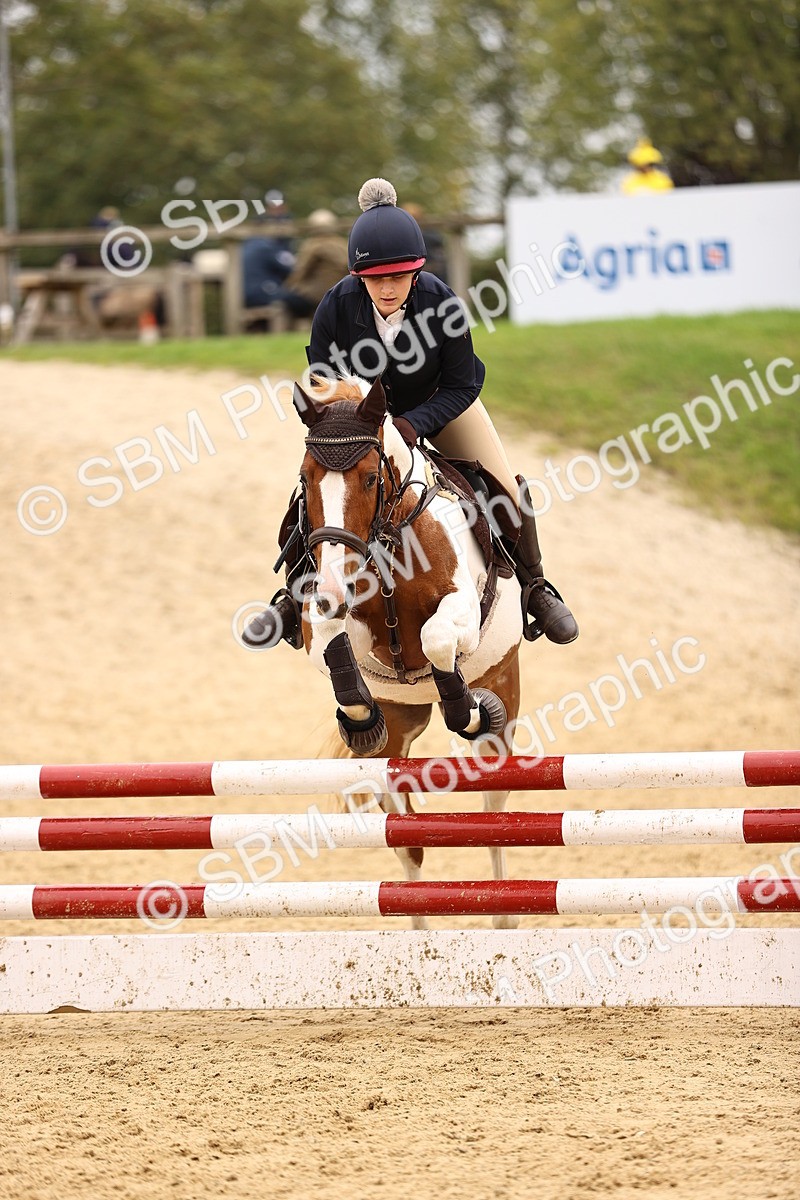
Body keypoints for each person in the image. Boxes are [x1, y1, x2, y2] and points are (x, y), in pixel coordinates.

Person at [245, 177, 578, 650]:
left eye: (398, 276)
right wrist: (358, 424)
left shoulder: (442, 304)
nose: (386, 287)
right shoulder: (335, 307)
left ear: (417, 271)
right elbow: (322, 383)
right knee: (316, 489)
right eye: (375, 278)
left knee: (503, 484)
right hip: (360, 421)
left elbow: (463, 383)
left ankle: (535, 586)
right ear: (359, 277)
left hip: (439, 406)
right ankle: (291, 593)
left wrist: (412, 424)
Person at [274, 209, 349, 319]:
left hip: (314, 296)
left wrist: (287, 286)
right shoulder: (343, 244)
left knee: (282, 298)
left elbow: (300, 273)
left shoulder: (312, 245)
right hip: (339, 294)